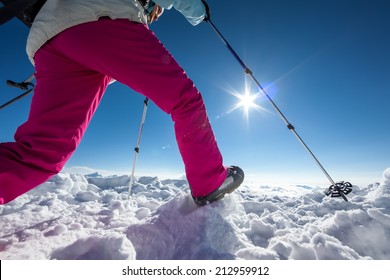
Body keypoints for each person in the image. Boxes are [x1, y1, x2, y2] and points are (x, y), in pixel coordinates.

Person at [0, 0, 244, 206]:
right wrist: (199, 12)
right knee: (184, 100)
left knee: (40, 151)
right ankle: (209, 182)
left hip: (47, 36)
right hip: (101, 15)